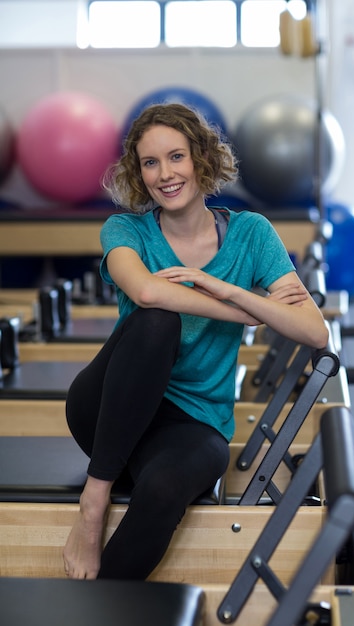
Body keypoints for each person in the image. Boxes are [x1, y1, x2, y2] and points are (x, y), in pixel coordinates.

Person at [63, 102, 329, 580]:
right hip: (107, 408)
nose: (165, 174)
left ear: (201, 158)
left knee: (163, 490)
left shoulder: (250, 234)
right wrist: (250, 309)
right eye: (150, 162)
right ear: (138, 172)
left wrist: (224, 286)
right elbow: (146, 291)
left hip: (196, 421)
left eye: (176, 157)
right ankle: (94, 499)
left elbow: (314, 331)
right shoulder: (125, 229)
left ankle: (98, 605)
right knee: (156, 319)